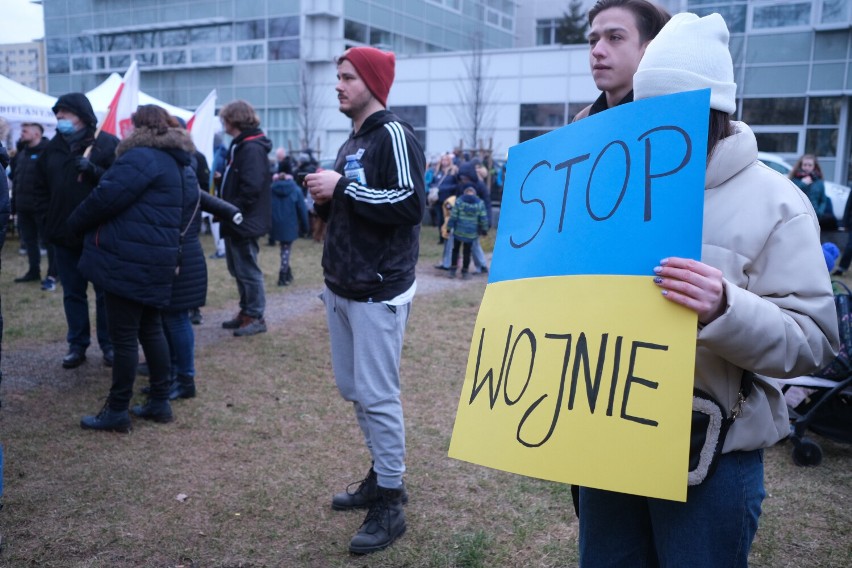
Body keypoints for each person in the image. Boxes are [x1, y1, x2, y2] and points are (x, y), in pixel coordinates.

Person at [576, 13, 840, 566]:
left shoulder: (778, 203)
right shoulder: (613, 183)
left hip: (713, 460)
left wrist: (726, 308)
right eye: (644, 111)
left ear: (713, 112)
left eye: (673, 113)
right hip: (609, 440)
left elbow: (814, 340)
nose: (653, 128)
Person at [304, 46, 426, 554]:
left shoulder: (393, 134)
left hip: (379, 290)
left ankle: (391, 502)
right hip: (342, 285)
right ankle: (382, 473)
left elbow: (410, 202)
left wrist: (342, 190)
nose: (338, 85)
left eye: (347, 77)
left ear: (372, 82)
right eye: (337, 76)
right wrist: (325, 202)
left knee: (377, 394)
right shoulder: (353, 139)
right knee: (355, 388)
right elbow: (354, 201)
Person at [67, 105, 201, 432]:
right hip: (158, 259)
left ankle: (116, 410)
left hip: (129, 260)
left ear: (138, 128)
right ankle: (159, 401)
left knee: (125, 337)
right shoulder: (175, 160)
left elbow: (106, 197)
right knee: (151, 330)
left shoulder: (140, 157)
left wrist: (72, 225)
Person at [32, 93, 117, 369]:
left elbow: (120, 185)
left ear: (82, 115)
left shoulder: (105, 145)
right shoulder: (52, 149)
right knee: (73, 293)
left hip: (99, 232)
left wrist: (93, 170)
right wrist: (47, 221)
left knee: (105, 293)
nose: (59, 118)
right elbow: (40, 188)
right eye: (57, 113)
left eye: (65, 113)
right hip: (63, 233)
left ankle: (109, 344)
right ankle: (77, 344)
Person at [217, 100, 273, 337]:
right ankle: (246, 310)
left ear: (234, 120)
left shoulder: (250, 148)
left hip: (243, 220)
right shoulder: (241, 146)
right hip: (237, 218)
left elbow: (251, 187)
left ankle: (255, 315)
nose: (223, 123)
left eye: (225, 119)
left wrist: (232, 209)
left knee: (247, 268)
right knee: (238, 268)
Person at [573, 0, 671, 123]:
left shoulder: (673, 116)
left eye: (615, 38)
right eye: (593, 40)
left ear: (651, 48)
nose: (597, 51)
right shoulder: (581, 121)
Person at [11, 122, 55, 289]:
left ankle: (52, 274)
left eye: (25, 131)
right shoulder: (21, 154)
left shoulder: (47, 153)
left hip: (41, 208)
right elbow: (16, 181)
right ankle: (33, 271)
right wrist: (14, 205)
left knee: (48, 242)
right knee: (29, 242)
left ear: (36, 134)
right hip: (24, 207)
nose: (21, 134)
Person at [270, 172, 309, 286]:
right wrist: (306, 227)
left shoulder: (271, 189)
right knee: (286, 249)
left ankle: (288, 273)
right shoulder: (296, 189)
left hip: (275, 223)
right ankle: (282, 276)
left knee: (284, 249)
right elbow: (302, 209)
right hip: (290, 223)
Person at [447, 185, 489, 280]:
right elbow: (483, 218)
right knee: (467, 252)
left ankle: (452, 271)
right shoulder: (480, 203)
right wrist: (484, 230)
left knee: (455, 250)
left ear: (465, 193)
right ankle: (465, 272)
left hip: (458, 232)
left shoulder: (459, 201)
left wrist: (449, 228)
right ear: (474, 194)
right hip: (471, 233)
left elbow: (453, 216)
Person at [788, 154, 835, 231]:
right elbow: (791, 195)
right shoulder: (794, 180)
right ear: (801, 165)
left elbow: (823, 200)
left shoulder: (819, 182)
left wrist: (820, 212)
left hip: (815, 217)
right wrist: (802, 184)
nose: (807, 167)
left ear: (814, 166)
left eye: (810, 165)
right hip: (797, 216)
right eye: (805, 165)